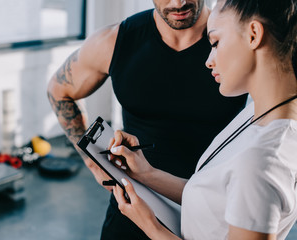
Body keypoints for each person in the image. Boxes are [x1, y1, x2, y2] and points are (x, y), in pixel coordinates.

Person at [47, 0, 247, 239]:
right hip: (133, 204)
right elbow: (59, 91)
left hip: (209, 208)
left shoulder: (237, 38)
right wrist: (92, 161)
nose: (179, 3)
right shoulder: (114, 41)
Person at [110, 0, 297, 239]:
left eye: (216, 43)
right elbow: (217, 200)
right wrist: (146, 173)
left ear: (253, 35)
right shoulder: (261, 115)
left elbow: (251, 176)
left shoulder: (261, 160)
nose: (209, 60)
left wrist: (151, 226)